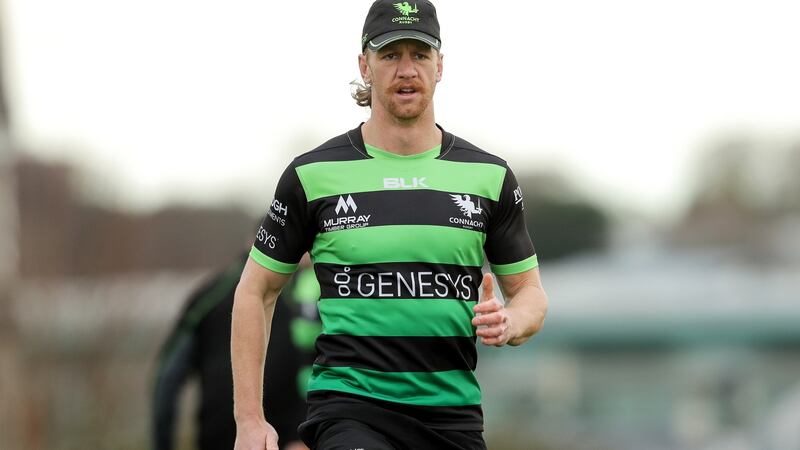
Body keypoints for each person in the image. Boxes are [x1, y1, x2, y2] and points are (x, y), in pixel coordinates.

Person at [232, 1, 549, 449]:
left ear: (440, 66)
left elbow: (531, 294)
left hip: (452, 417)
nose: (406, 69)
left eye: (419, 54)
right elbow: (254, 291)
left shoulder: (489, 177)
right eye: (389, 54)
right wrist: (249, 420)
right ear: (365, 65)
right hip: (351, 410)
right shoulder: (312, 174)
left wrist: (511, 321)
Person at [153, 251, 319, 450]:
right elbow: (324, 366)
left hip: (217, 439)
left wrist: (163, 443)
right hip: (285, 440)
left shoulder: (209, 294)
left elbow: (167, 380)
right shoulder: (304, 292)